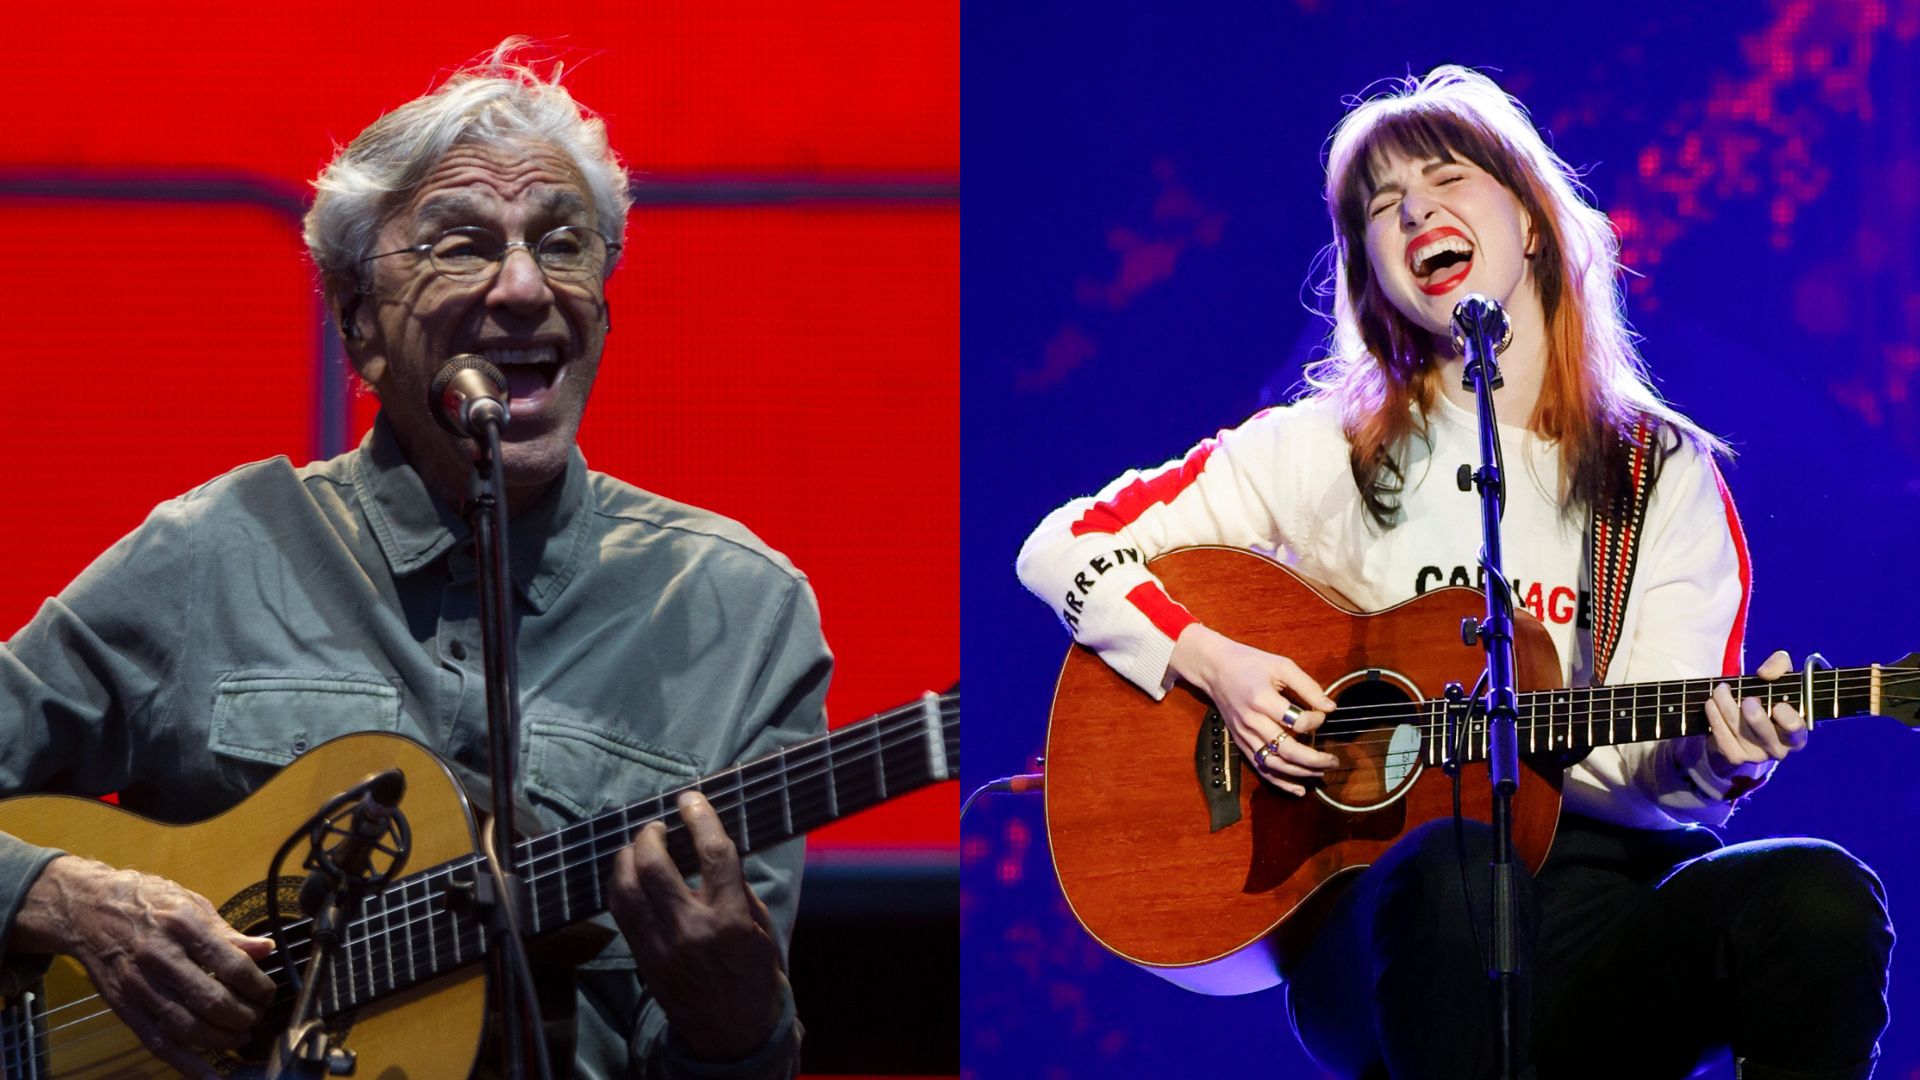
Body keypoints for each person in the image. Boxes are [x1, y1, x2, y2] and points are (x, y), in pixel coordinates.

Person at [1017, 67, 1892, 1079]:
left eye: (1445, 180)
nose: (1415, 209)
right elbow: (1062, 545)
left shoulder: (1659, 472)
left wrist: (1722, 758)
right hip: (1389, 916)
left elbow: (1661, 776)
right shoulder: (1315, 448)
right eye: (1382, 206)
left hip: (1607, 910)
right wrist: (1214, 662)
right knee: (1455, 868)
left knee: (1820, 899)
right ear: (1373, 271)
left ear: (1531, 223)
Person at [0, 43, 828, 1080]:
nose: (526, 288)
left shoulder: (738, 614)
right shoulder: (214, 551)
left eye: (564, 246)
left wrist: (739, 1023)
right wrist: (64, 897)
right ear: (359, 323)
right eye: (460, 245)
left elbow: (715, 1064)